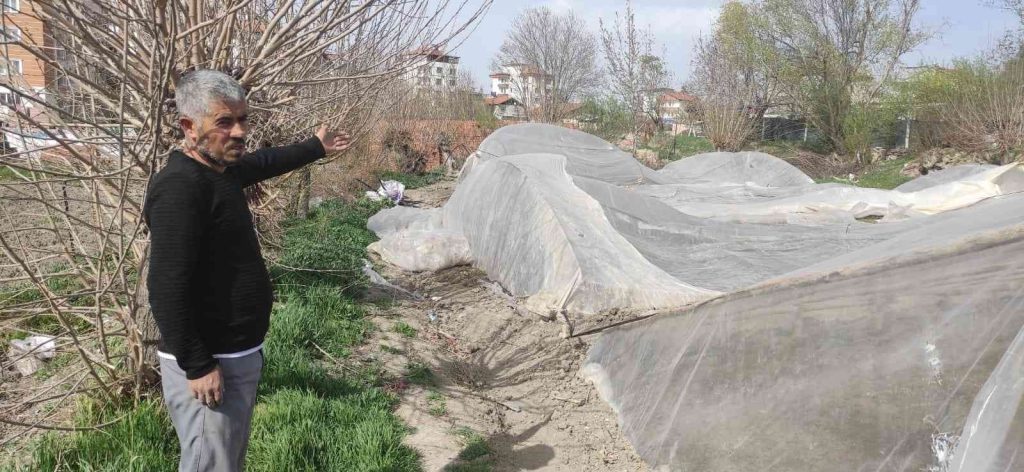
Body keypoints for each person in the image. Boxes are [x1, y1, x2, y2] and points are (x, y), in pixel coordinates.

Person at [143, 69, 351, 472]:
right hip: (211, 359)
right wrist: (198, 364)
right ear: (189, 126)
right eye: (225, 121)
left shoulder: (219, 170)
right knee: (210, 463)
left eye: (243, 119)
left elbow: (264, 162)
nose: (239, 131)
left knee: (226, 461)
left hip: (236, 351)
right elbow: (165, 287)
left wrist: (315, 146)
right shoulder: (181, 188)